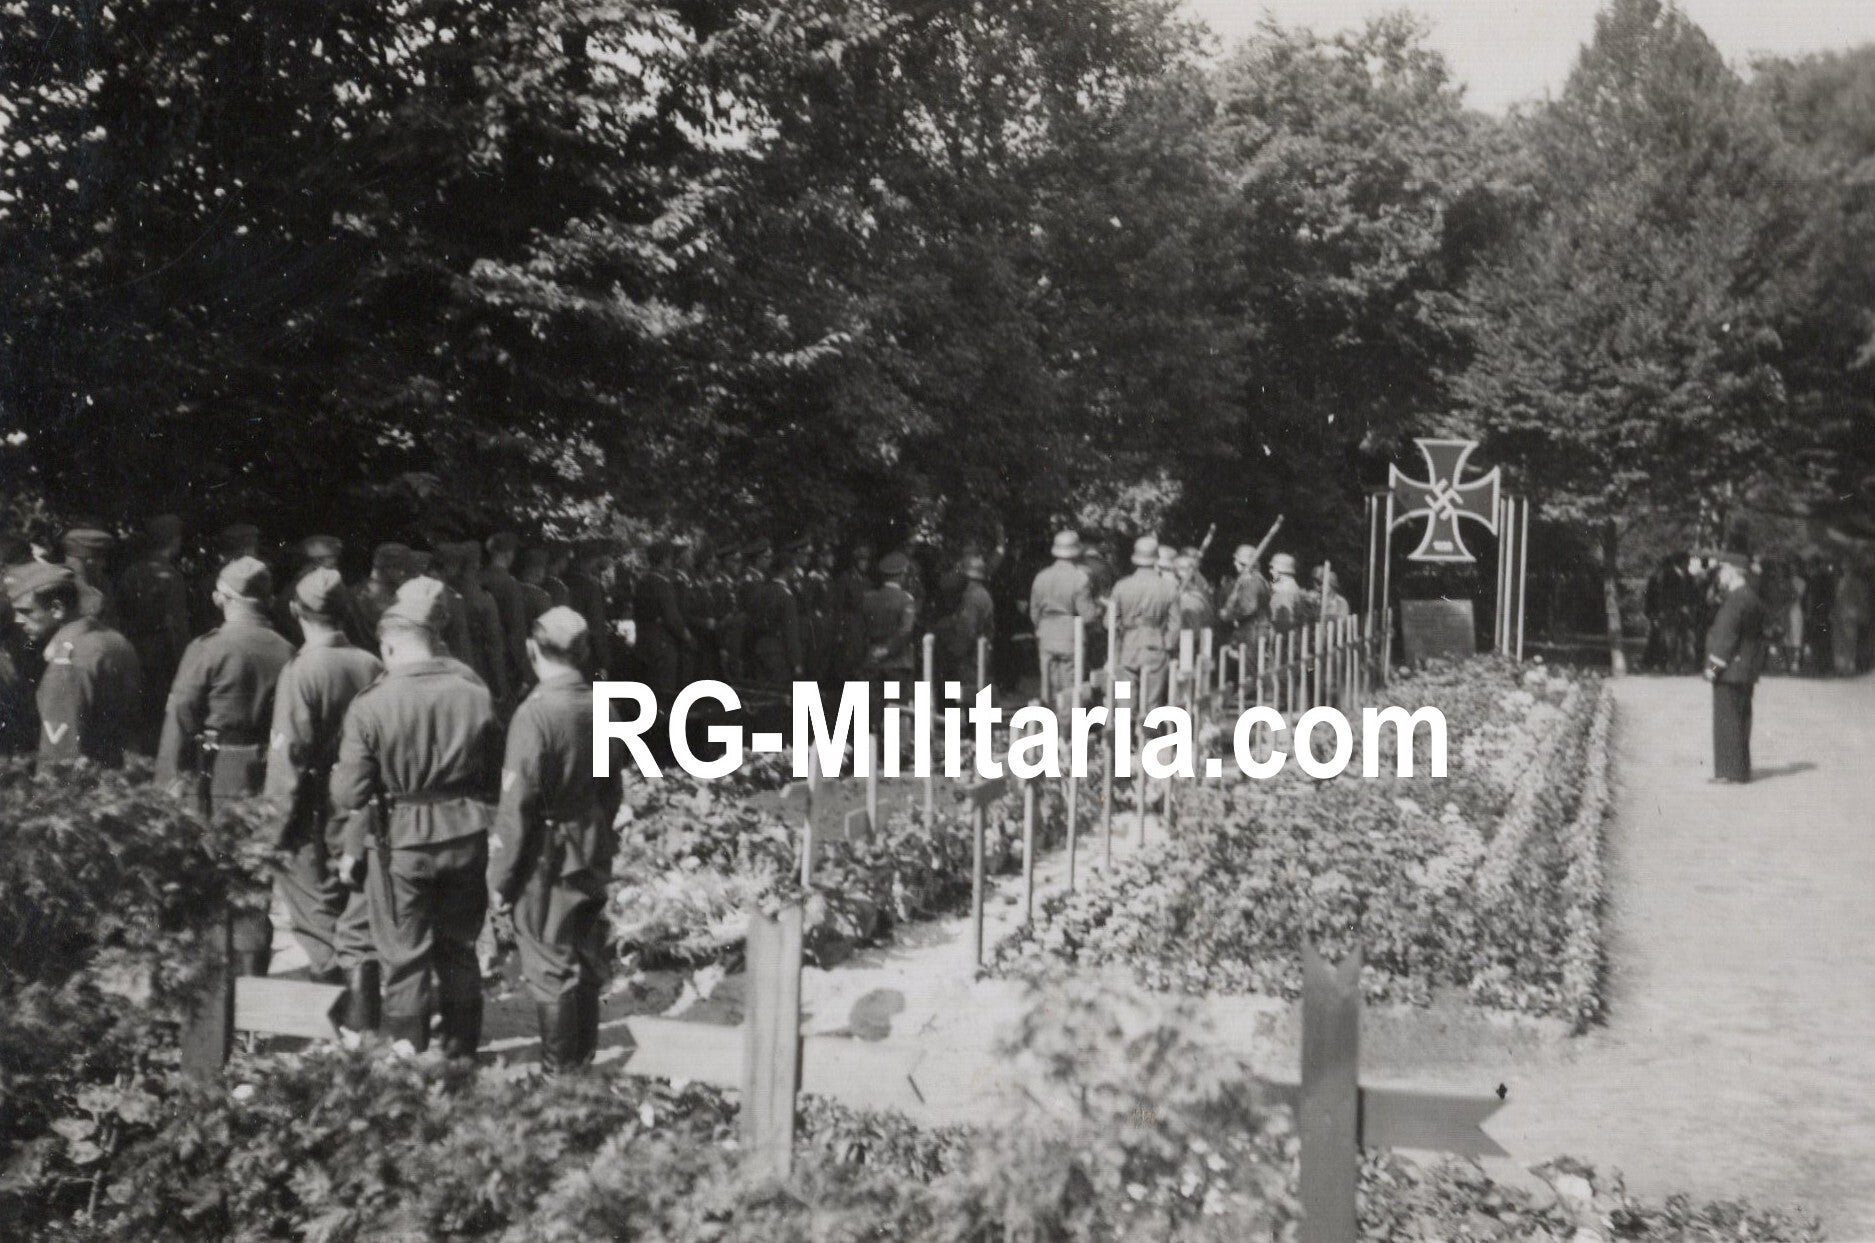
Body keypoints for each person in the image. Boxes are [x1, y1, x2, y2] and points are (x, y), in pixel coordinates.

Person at [332, 578, 502, 1057]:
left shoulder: (372, 703)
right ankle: (460, 1056)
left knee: (404, 956)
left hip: (401, 840)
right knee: (459, 948)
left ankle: (410, 1060)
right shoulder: (475, 691)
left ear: (388, 645)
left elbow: (349, 793)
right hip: (465, 830)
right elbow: (491, 772)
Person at [488, 607, 621, 1073]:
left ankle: (558, 1082)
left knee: (548, 965)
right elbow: (611, 789)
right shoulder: (604, 705)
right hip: (588, 839)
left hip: (546, 852)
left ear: (532, 649)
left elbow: (516, 803)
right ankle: (579, 1068)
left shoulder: (535, 714)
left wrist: (499, 879)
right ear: (584, 652)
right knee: (581, 954)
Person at [156, 555, 296, 976]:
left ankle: (217, 1000)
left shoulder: (208, 648)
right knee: (254, 884)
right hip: (267, 770)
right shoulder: (286, 648)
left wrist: (167, 784)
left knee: (213, 882)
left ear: (224, 597)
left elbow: (180, 717)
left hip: (217, 776)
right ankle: (253, 995)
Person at [262, 568, 384, 1028]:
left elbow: (287, 757)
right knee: (355, 910)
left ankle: (339, 1027)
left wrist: (271, 829)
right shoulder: (371, 663)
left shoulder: (302, 670)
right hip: (358, 803)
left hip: (311, 806)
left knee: (315, 918)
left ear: (296, 611)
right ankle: (362, 1024)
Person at [8, 561, 143, 767]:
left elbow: (60, 758)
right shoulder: (114, 640)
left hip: (84, 787)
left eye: (26, 611)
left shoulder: (66, 664)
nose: (18, 620)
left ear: (56, 608)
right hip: (122, 777)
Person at [117, 514, 193, 744]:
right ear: (173, 540)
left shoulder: (130, 572)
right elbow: (176, 625)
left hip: (134, 651)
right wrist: (185, 661)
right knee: (161, 711)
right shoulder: (171, 577)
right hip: (163, 655)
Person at [1705, 553, 1766, 784]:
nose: (1720, 575)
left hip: (1730, 669)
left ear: (1731, 571)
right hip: (1747, 668)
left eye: (1722, 570)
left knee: (1727, 719)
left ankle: (1729, 772)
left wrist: (1712, 667)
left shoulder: (1734, 601)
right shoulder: (1752, 598)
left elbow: (1725, 638)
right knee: (1742, 718)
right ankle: (1740, 770)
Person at [1028, 531, 1096, 709]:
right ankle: (1066, 730)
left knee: (1047, 684)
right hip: (1070, 636)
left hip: (1046, 634)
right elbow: (1088, 616)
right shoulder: (1080, 578)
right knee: (1070, 687)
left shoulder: (1041, 577)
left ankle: (1048, 724)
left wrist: (1041, 628)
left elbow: (1034, 612)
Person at [1111, 536, 1179, 713]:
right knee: (1152, 703)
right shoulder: (1169, 588)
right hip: (1155, 648)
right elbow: (1175, 625)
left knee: (1123, 701)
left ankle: (1123, 737)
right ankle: (1149, 737)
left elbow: (1109, 622)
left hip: (1127, 651)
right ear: (1156, 560)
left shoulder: (1121, 586)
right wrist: (1167, 644)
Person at [860, 552, 918, 690]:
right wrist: (888, 650)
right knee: (894, 708)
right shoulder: (906, 599)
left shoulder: (868, 598)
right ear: (902, 575)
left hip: (872, 659)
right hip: (898, 662)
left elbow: (861, 629)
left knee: (873, 708)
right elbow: (906, 631)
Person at [352, 543, 413, 647]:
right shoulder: (360, 593)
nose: (404, 573)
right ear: (386, 567)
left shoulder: (401, 589)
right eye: (400, 567)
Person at [61, 526, 118, 624]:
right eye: (101, 558)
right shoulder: (61, 585)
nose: (104, 564)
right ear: (89, 560)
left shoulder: (101, 582)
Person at [1217, 543, 1271, 649]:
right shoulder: (1255, 578)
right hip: (1254, 629)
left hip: (1253, 631)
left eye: (1237, 561)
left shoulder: (1251, 581)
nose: (1235, 564)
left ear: (1243, 563)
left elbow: (1247, 608)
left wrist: (1227, 616)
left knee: (1249, 663)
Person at [1832, 561, 1869, 676]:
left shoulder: (1858, 583)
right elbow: (1836, 599)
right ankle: (1840, 667)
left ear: (1852, 569)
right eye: (1844, 567)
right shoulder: (1840, 581)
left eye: (1848, 567)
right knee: (1838, 641)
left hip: (1850, 615)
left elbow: (1863, 599)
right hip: (1839, 615)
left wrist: (1857, 612)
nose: (1846, 569)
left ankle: (1850, 667)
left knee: (1850, 641)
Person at [1267, 553, 1315, 633]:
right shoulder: (1290, 587)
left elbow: (1283, 622)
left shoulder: (1285, 590)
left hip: (1282, 636)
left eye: (1272, 568)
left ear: (1280, 569)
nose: (1270, 571)